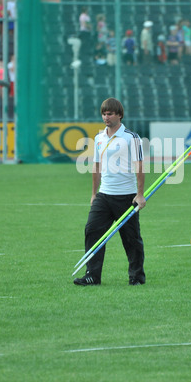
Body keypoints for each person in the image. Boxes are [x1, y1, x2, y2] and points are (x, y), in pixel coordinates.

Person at [74, 97, 146, 287]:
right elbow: (96, 167)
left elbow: (140, 167)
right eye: (104, 114)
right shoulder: (99, 138)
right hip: (104, 196)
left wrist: (140, 194)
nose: (106, 117)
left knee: (131, 239)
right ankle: (92, 275)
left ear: (119, 115)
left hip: (126, 196)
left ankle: (136, 276)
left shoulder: (131, 137)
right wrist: (93, 193)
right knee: (92, 231)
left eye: (110, 114)